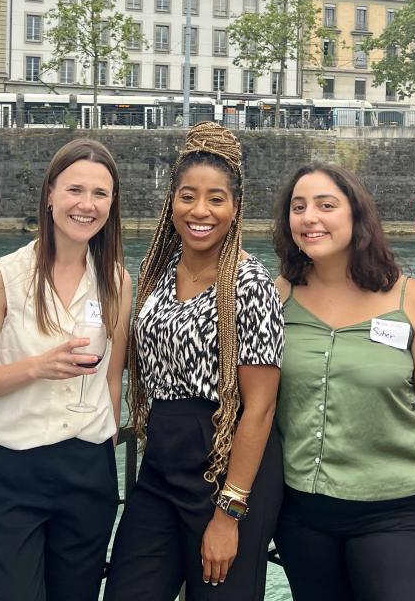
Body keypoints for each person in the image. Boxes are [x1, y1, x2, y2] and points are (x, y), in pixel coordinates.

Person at [272, 162, 415, 600]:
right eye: (299, 207)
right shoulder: (276, 297)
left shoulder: (411, 301)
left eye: (326, 205)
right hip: (303, 515)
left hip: (398, 511)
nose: (310, 218)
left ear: (356, 215)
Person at [104, 122, 283, 601]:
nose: (199, 211)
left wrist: (229, 512)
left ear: (235, 207)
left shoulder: (250, 283)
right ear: (171, 200)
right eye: (187, 196)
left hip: (225, 467)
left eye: (216, 199)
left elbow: (260, 407)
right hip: (161, 464)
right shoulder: (157, 274)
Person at [0, 139, 131, 601]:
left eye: (100, 195)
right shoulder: (3, 275)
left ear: (111, 206)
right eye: (75, 190)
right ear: (50, 193)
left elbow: (112, 375)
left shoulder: (115, 279)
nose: (86, 205)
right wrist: (38, 367)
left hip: (88, 469)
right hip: (14, 468)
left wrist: (105, 440)